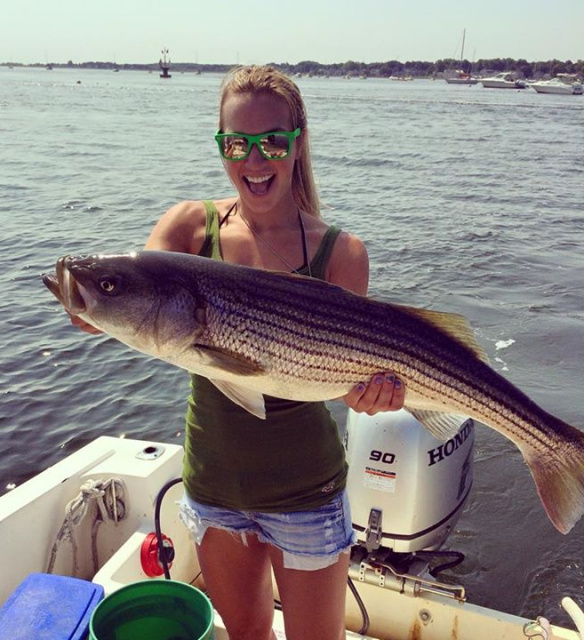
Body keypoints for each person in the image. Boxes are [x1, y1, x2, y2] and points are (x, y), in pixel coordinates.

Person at [72, 65, 404, 640]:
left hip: (305, 490)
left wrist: (374, 396)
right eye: (237, 143)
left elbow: (349, 380)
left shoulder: (341, 252)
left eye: (272, 140)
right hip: (214, 484)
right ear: (221, 145)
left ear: (297, 145)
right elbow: (125, 307)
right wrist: (93, 299)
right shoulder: (188, 228)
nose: (254, 159)